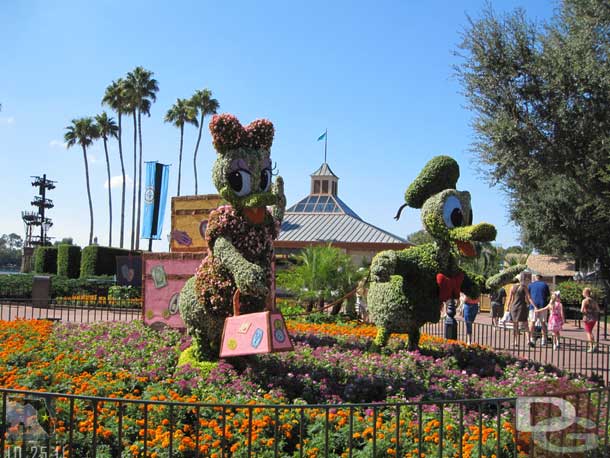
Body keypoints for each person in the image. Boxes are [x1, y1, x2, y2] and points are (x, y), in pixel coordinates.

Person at [508, 273, 536, 347]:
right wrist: (534, 306)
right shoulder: (524, 287)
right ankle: (528, 340)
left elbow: (510, 299)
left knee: (515, 325)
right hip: (522, 307)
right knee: (525, 324)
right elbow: (529, 298)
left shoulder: (512, 287)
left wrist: (507, 308)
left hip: (514, 307)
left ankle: (515, 341)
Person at [528, 274, 550, 346]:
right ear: (541, 278)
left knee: (532, 322)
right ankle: (544, 339)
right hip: (543, 306)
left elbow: (528, 296)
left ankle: (532, 338)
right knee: (543, 323)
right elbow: (547, 296)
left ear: (535, 278)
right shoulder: (545, 285)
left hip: (533, 306)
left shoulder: (530, 285)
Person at [581, 287, 600, 353]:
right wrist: (593, 311)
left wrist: (586, 312)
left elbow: (581, 310)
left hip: (587, 318)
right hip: (593, 318)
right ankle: (594, 346)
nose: (582, 293)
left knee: (588, 333)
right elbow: (598, 310)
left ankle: (591, 346)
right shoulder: (594, 301)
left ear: (586, 293)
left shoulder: (584, 300)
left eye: (583, 292)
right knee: (590, 332)